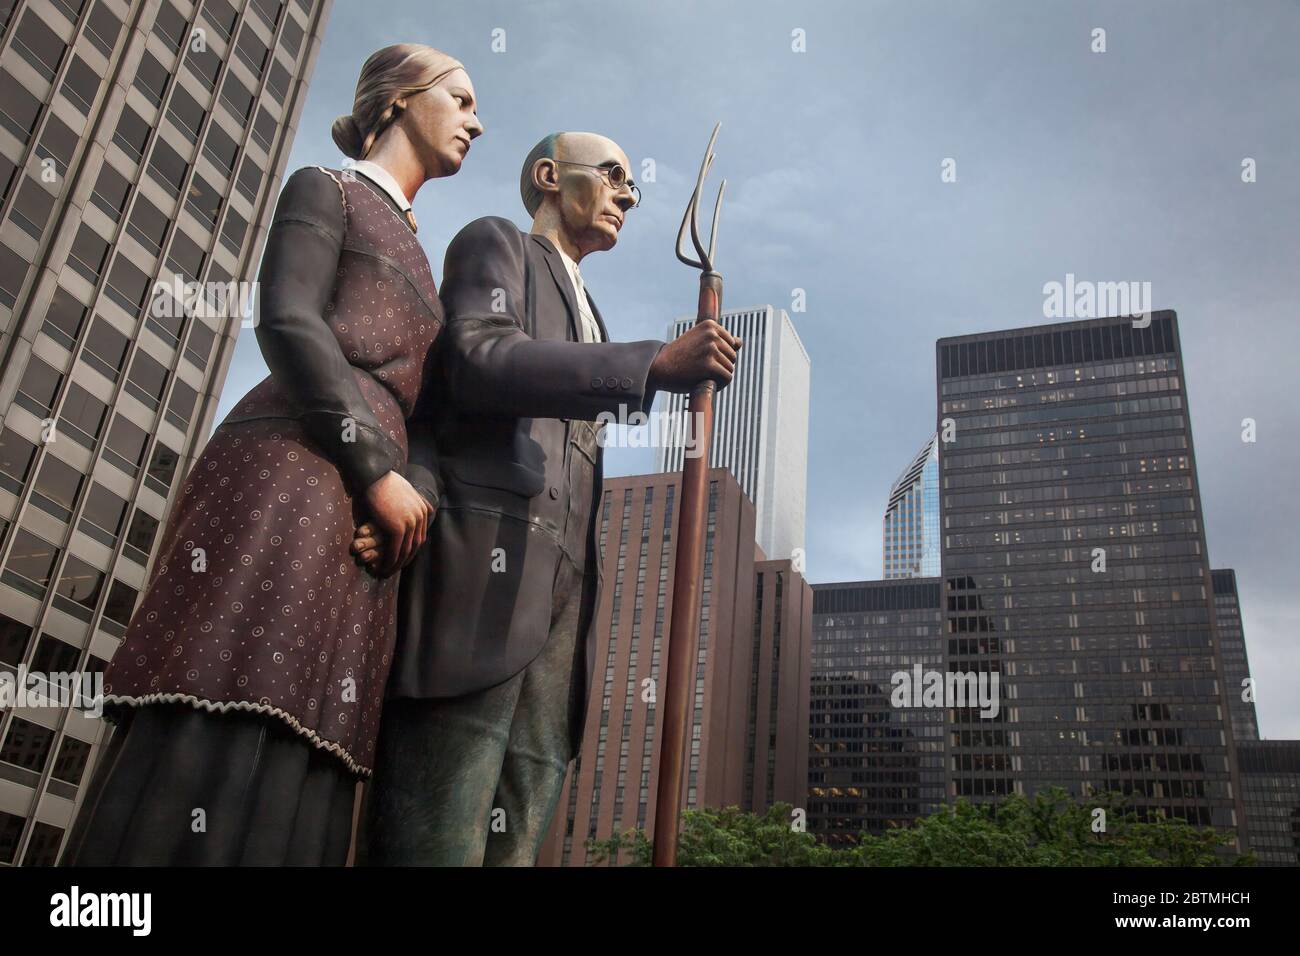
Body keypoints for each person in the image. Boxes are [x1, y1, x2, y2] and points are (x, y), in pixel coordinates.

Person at [61, 44, 482, 866]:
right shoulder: (324, 189)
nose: (477, 119)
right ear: (397, 101)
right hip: (284, 477)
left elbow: (428, 413)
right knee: (231, 685)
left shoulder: (426, 266)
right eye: (460, 99)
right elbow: (289, 320)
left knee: (320, 730)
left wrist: (411, 496)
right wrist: (376, 471)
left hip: (368, 525)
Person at [354, 131, 741, 865]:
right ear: (550, 177)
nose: (629, 194)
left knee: (518, 837)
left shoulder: (588, 305)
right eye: (614, 175)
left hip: (564, 612)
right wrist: (653, 365)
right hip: (480, 587)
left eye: (633, 183)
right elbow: (478, 359)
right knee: (438, 835)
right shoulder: (495, 243)